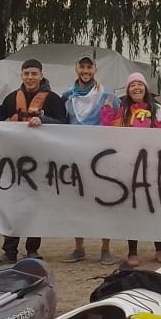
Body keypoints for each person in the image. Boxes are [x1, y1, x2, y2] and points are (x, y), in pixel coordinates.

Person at [0, 59, 67, 264]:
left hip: (41, 160)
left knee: (35, 206)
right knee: (13, 205)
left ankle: (32, 249)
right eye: (26, 74)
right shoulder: (12, 98)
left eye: (34, 74)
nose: (30, 77)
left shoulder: (53, 100)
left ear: (41, 75)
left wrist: (44, 120)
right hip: (15, 160)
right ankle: (9, 250)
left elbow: (63, 125)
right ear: (21, 75)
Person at [101, 72, 161, 267]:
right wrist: (107, 111)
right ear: (128, 90)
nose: (136, 88)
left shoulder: (157, 109)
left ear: (145, 88)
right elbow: (109, 133)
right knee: (132, 210)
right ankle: (132, 251)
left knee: (155, 208)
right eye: (132, 85)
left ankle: (160, 248)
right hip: (129, 167)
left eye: (139, 84)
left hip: (153, 167)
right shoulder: (122, 111)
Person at [58, 55, 117, 265]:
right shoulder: (66, 97)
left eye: (89, 67)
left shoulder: (108, 96)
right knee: (77, 203)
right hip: (75, 159)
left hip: (101, 160)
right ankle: (79, 247)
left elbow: (118, 125)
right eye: (82, 67)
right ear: (76, 69)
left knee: (104, 203)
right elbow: (59, 125)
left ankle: (105, 248)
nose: (85, 71)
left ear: (95, 70)